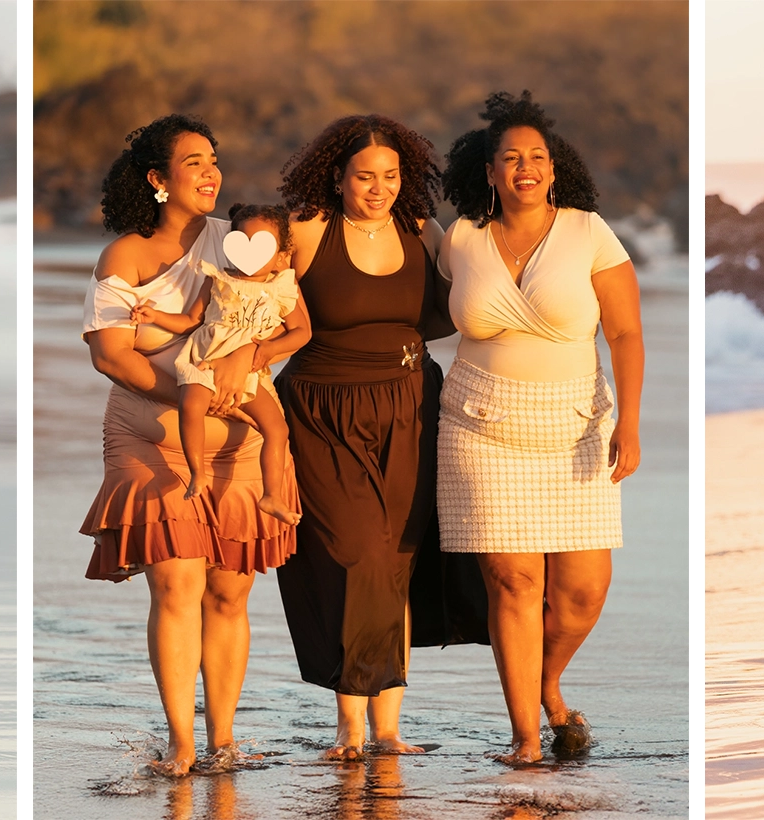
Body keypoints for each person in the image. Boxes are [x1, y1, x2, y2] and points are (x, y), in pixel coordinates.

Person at [80, 115, 298, 777]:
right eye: (193, 162)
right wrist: (195, 393)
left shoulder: (238, 242)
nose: (210, 173)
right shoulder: (123, 256)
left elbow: (284, 317)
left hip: (238, 446)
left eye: (214, 160)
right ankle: (181, 742)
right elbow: (112, 357)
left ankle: (223, 740)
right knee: (177, 584)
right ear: (157, 179)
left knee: (229, 594)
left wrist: (245, 367)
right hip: (150, 440)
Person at [437, 91, 645, 766]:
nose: (525, 167)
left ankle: (547, 683)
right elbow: (410, 304)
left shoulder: (589, 232)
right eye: (510, 158)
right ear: (489, 171)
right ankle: (526, 735)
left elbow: (625, 330)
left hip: (577, 424)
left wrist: (631, 423)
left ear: (554, 169)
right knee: (516, 585)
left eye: (537, 157)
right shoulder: (462, 238)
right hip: (479, 425)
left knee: (583, 590)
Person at [273, 113, 487, 761]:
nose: (378, 188)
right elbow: (247, 298)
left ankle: (386, 729)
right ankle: (350, 725)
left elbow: (479, 293)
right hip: (320, 412)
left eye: (391, 176)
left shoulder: (423, 231)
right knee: (353, 554)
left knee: (397, 560)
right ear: (336, 176)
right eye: (365, 176)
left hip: (411, 405)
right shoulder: (307, 229)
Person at [130, 203, 309, 525]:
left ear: (282, 253)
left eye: (264, 246)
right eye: (243, 242)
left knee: (277, 429)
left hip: (251, 371)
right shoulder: (218, 279)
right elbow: (190, 320)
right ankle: (197, 473)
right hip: (205, 359)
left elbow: (302, 332)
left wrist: (267, 350)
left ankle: (272, 496)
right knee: (192, 408)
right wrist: (154, 316)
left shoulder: (284, 287)